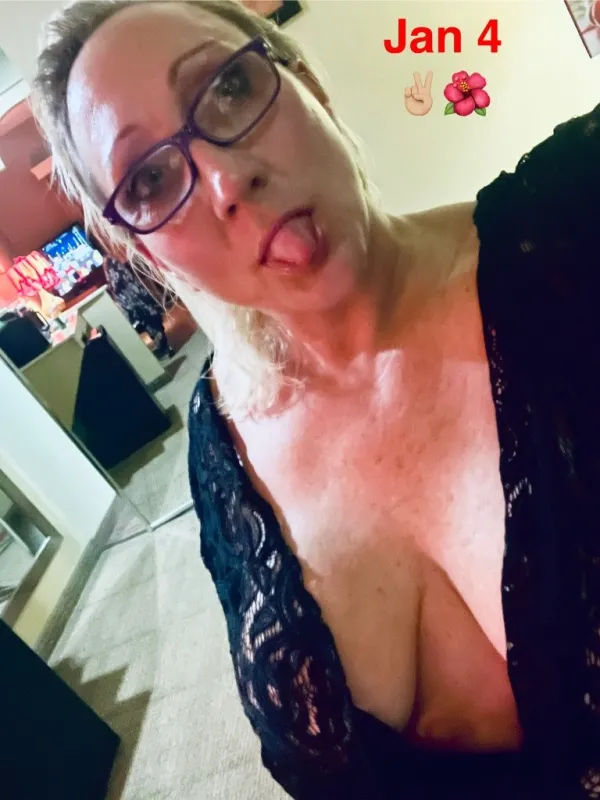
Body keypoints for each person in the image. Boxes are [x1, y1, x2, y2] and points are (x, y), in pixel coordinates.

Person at [32, 1, 600, 796]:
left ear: (309, 85)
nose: (226, 180)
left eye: (229, 87)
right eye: (150, 179)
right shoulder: (218, 444)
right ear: (151, 256)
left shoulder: (574, 213)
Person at [103, 255, 174, 358]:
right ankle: (165, 347)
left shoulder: (110, 263)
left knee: (149, 322)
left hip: (133, 299)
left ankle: (164, 347)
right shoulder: (112, 261)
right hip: (136, 296)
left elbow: (117, 286)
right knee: (151, 321)